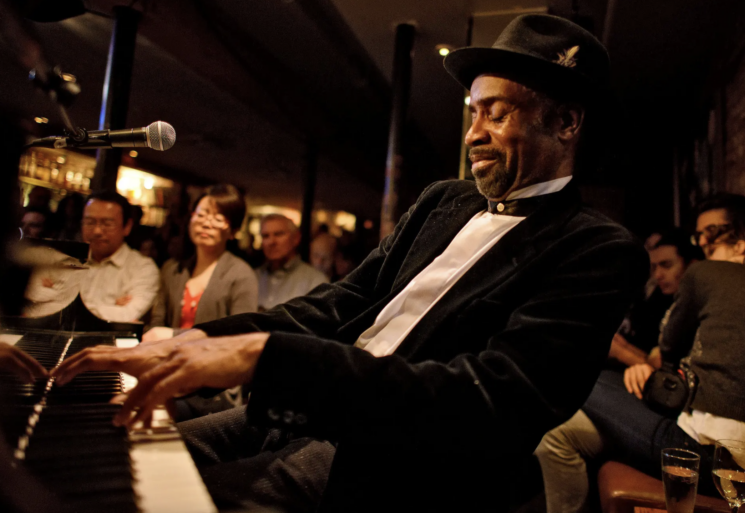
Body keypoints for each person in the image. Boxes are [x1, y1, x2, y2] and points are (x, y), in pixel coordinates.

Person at [53, 15, 648, 512]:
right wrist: (187, 341)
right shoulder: (445, 199)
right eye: (472, 113)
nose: (473, 135)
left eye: (496, 114)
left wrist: (270, 357)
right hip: (309, 405)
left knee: (150, 501)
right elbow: (337, 304)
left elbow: (484, 402)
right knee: (114, 456)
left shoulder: (596, 249)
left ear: (567, 122)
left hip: (401, 463)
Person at [535, 194, 745, 513]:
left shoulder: (709, 274)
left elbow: (669, 350)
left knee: (581, 376)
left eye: (711, 239)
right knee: (563, 430)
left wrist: (634, 359)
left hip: (710, 455)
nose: (701, 243)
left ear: (741, 244)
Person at [147, 184, 258, 339]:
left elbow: (242, 332)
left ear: (233, 231)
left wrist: (174, 335)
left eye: (218, 218)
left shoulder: (241, 275)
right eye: (201, 215)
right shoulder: (172, 269)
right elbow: (157, 322)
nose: (206, 224)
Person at [609, 228, 702, 369]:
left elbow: (671, 376)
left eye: (666, 265)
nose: (658, 275)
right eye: (654, 267)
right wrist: (623, 346)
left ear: (692, 266)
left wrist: (621, 352)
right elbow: (651, 359)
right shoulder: (660, 300)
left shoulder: (698, 309)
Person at [78, 190, 159, 323]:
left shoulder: (143, 268)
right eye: (90, 222)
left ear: (127, 227)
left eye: (107, 224)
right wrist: (111, 307)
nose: (97, 231)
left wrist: (75, 310)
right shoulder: (69, 262)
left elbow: (128, 315)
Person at [255, 214, 328, 311]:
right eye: (265, 236)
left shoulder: (315, 281)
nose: (271, 242)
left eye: (278, 234)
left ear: (296, 238)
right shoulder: (253, 276)